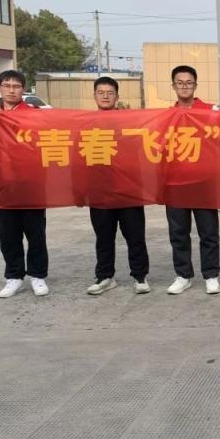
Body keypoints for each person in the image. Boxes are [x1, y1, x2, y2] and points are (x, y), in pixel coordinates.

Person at [0, 69, 49, 298]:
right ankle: (14, 276)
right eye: (7, 85)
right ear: (0, 88)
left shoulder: (34, 115)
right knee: (8, 234)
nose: (11, 90)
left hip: (31, 184)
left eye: (16, 86)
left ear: (23, 89)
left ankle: (38, 275)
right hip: (2, 184)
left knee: (35, 233)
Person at [85, 76, 150, 295]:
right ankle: (105, 276)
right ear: (94, 96)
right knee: (104, 237)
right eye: (101, 92)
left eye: (109, 93)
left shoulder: (129, 122)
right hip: (99, 191)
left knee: (135, 236)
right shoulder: (85, 123)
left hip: (128, 189)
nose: (105, 96)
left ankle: (140, 276)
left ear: (117, 96)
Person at [165, 65, 220, 295]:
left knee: (208, 232)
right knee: (178, 233)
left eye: (189, 82)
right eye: (180, 82)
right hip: (174, 183)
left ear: (195, 85)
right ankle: (183, 275)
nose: (184, 86)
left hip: (204, 182)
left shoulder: (211, 111)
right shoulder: (166, 116)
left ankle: (211, 275)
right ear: (173, 86)